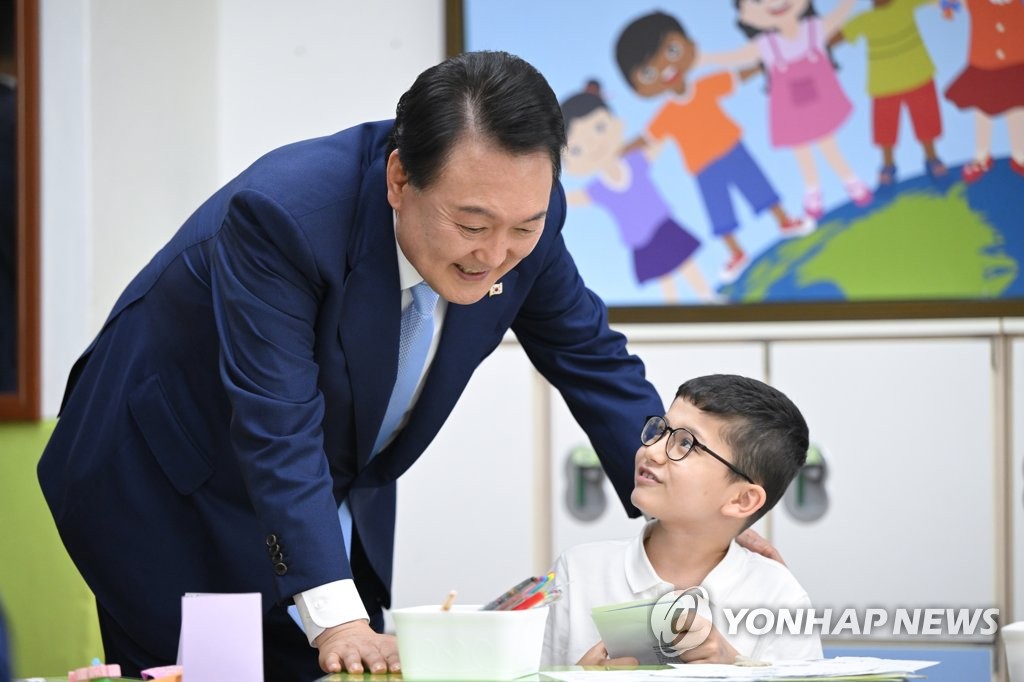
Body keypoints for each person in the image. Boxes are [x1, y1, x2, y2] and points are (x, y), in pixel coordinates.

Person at [37, 51, 667, 681]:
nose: (497, 253)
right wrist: (336, 615)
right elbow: (277, 421)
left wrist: (689, 498)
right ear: (399, 180)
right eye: (472, 225)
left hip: (310, 485)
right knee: (215, 670)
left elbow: (592, 359)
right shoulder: (286, 215)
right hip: (161, 479)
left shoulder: (526, 213)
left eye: (523, 228)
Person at [542, 374, 823, 666]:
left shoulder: (778, 595)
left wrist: (734, 666)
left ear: (742, 499)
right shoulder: (576, 573)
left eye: (686, 443)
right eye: (660, 429)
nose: (651, 451)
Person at [615, 12, 814, 286]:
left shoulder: (705, 86)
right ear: (639, 87)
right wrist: (617, 152)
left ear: (690, 46)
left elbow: (736, 77)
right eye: (648, 72)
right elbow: (647, 139)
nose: (666, 70)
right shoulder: (667, 114)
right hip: (703, 167)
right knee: (719, 212)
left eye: (672, 51)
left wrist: (764, 63)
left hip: (732, 149)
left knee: (758, 188)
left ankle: (784, 221)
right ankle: (735, 251)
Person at [702, 0, 873, 219]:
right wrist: (705, 59)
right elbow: (736, 57)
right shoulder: (766, 45)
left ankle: (851, 180)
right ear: (745, 15)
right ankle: (813, 191)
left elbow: (840, 14)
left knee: (827, 144)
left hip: (820, 102)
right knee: (801, 150)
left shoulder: (813, 29)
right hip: (790, 109)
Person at [559, 79, 714, 303]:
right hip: (641, 241)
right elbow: (570, 197)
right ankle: (673, 312)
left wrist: (670, 120)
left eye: (600, 128)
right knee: (665, 277)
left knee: (687, 265)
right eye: (577, 149)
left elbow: (658, 140)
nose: (594, 146)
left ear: (617, 124)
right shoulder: (599, 189)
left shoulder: (635, 163)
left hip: (663, 227)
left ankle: (707, 299)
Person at [838, 0, 947, 186]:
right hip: (884, 85)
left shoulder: (904, 5)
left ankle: (932, 157)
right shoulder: (865, 20)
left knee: (926, 121)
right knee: (885, 128)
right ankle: (888, 165)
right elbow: (837, 37)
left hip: (918, 75)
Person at [942, 0, 1024, 182]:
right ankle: (981, 155)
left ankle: (1020, 154)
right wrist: (946, 7)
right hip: (983, 66)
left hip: (1015, 65)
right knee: (982, 111)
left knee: (1017, 109)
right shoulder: (975, 2)